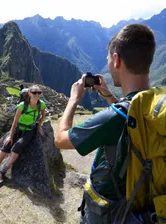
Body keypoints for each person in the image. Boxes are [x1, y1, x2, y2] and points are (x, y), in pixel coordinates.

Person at [55, 23, 156, 223]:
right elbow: (131, 114)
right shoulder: (157, 104)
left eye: (109, 58)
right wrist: (110, 96)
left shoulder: (113, 117)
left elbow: (60, 139)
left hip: (111, 210)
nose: (108, 63)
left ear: (116, 60)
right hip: (147, 206)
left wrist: (73, 100)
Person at [0, 85, 46, 186]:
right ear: (29, 93)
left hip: (30, 130)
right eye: (34, 92)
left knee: (18, 147)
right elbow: (15, 122)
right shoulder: (22, 106)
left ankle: (3, 171)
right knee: (7, 145)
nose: (37, 95)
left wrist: (39, 126)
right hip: (18, 128)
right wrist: (10, 136)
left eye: (39, 92)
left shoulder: (41, 105)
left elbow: (43, 115)